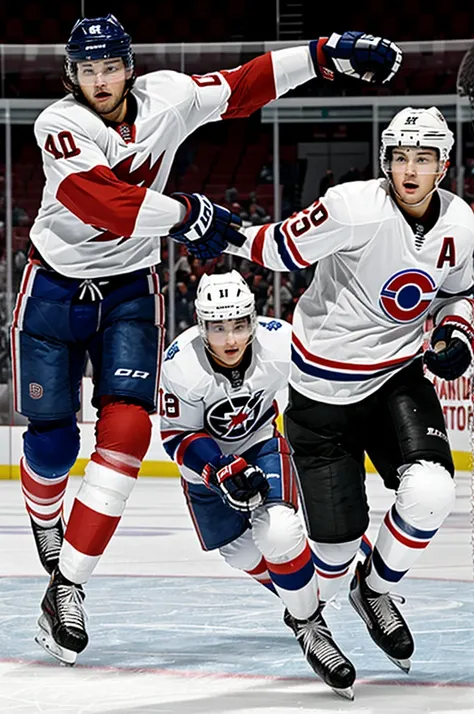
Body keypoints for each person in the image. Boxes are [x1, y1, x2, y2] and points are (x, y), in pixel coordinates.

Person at [12, 12, 402, 666]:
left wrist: (322, 53)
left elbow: (245, 86)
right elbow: (96, 199)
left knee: (130, 433)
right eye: (88, 70)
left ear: (129, 66)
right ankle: (46, 519)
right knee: (52, 444)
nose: (101, 80)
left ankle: (66, 587)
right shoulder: (61, 124)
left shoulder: (168, 96)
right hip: (54, 286)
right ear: (70, 76)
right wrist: (189, 215)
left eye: (111, 66)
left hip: (131, 285)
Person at [197, 106, 474, 683]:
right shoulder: (354, 207)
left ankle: (374, 592)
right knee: (333, 551)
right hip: (321, 394)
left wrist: (455, 332)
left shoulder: (462, 222)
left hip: (396, 376)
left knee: (432, 490)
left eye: (423, 159)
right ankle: (314, 616)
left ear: (442, 166)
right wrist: (219, 227)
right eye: (400, 158)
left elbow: (457, 294)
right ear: (386, 161)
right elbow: (277, 248)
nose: (410, 170)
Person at [159, 270, 356, 699]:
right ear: (200, 323)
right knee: (243, 553)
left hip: (262, 444)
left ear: (253, 318)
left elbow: (325, 379)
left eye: (239, 324)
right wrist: (219, 469)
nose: (230, 339)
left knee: (279, 531)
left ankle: (309, 626)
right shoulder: (180, 364)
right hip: (206, 468)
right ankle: (310, 600)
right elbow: (175, 436)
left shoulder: (279, 341)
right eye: (217, 327)